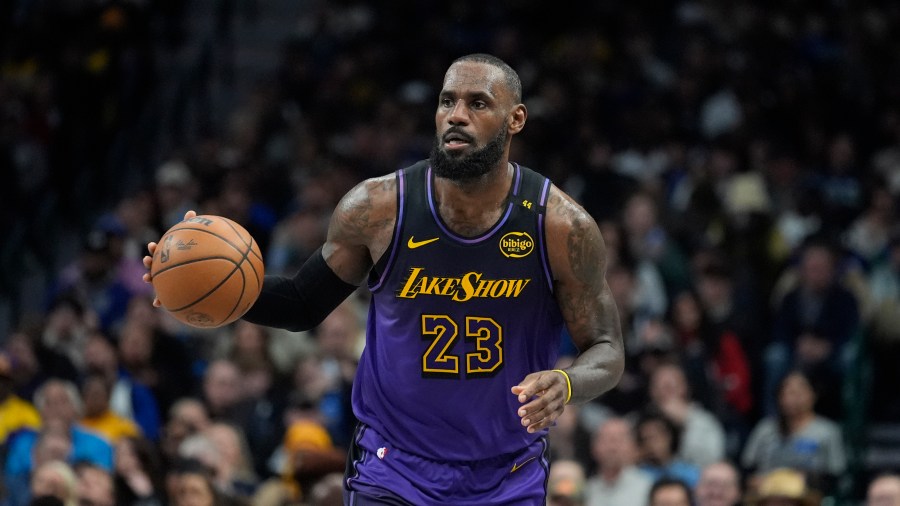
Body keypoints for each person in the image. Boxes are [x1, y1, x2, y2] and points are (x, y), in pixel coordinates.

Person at [144, 53, 625, 505]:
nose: (456, 115)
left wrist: (567, 382)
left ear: (515, 120)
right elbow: (299, 304)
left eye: (478, 103)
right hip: (393, 468)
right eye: (446, 101)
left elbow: (606, 347)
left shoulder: (560, 226)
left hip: (507, 472)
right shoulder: (378, 208)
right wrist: (204, 286)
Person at [741, 370, 845, 496]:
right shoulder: (765, 429)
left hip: (809, 497)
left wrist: (809, 480)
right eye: (787, 392)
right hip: (767, 497)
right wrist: (753, 481)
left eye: (798, 393)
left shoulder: (827, 431)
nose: (792, 398)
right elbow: (747, 468)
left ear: (813, 395)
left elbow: (836, 475)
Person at [584, 417, 653, 506]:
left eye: (619, 440)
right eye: (606, 440)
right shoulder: (586, 490)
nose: (612, 448)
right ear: (594, 447)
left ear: (633, 446)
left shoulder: (648, 488)